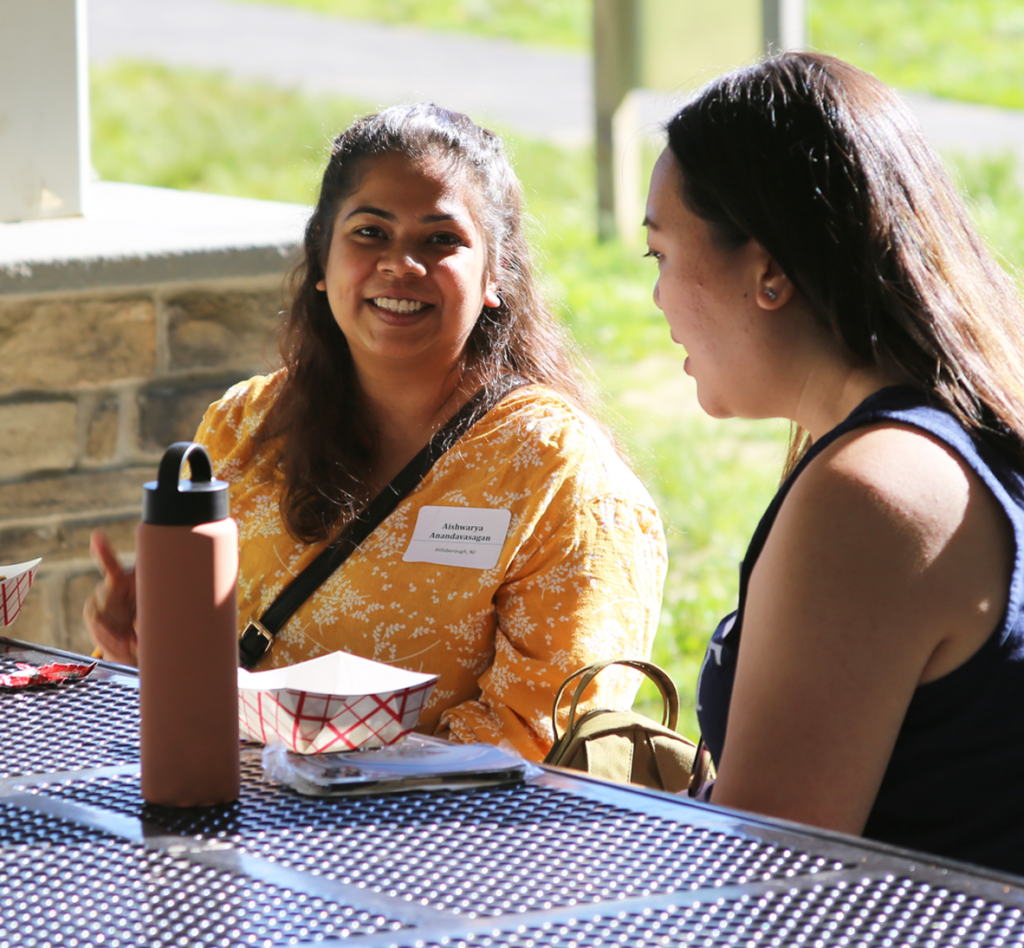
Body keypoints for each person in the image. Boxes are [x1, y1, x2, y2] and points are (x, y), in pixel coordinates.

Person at [86, 103, 667, 761]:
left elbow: (534, 748)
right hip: (233, 822)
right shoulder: (244, 426)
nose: (400, 265)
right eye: (370, 232)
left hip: (429, 854)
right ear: (322, 259)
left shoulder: (561, 479)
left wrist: (313, 781)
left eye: (440, 239)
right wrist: (150, 656)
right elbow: (195, 682)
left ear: (496, 275)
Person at [645, 52, 1024, 875]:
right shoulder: (960, 433)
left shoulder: (873, 496)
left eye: (660, 256)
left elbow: (770, 878)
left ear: (769, 271)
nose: (658, 297)